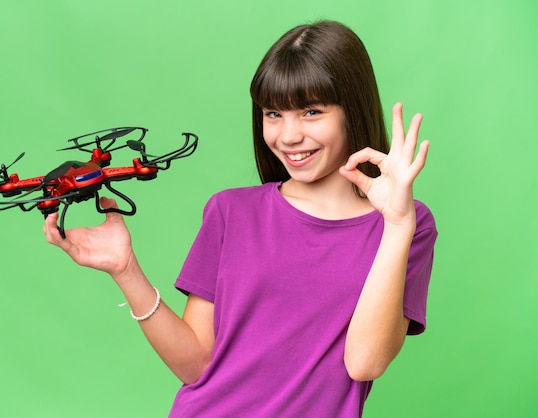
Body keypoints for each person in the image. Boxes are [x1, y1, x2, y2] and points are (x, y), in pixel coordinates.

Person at [44, 20, 437, 418]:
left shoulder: (406, 226)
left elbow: (364, 363)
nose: (288, 136)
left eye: (311, 111)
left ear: (351, 110)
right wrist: (125, 269)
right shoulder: (231, 212)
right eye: (273, 114)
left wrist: (397, 224)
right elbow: (196, 364)